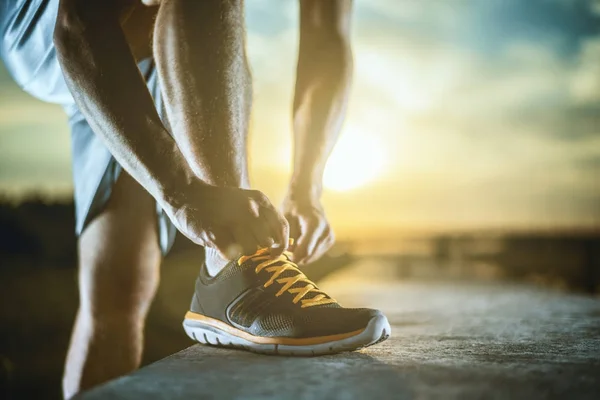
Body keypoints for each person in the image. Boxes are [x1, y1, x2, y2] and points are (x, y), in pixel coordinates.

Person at [1, 0, 390, 397]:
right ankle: (233, 263)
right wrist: (182, 192)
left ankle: (228, 272)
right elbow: (78, 22)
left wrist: (308, 186)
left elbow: (327, 38)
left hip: (133, 58)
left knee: (119, 287)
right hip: (45, 28)